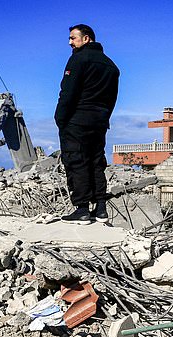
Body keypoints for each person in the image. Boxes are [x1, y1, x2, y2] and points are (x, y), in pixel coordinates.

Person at [55, 24, 120, 223]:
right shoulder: (111, 65)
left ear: (86, 39)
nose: (69, 42)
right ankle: (100, 208)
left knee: (76, 162)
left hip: (77, 120)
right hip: (100, 122)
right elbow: (112, 98)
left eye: (73, 38)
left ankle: (82, 209)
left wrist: (60, 118)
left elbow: (68, 92)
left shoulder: (78, 59)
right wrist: (104, 117)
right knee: (96, 162)